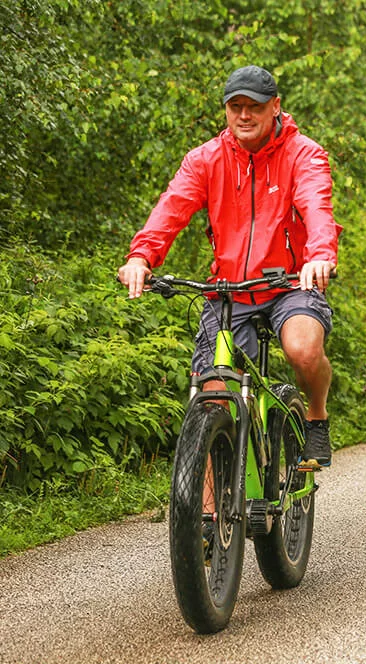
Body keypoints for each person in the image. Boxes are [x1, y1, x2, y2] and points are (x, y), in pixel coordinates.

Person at [117, 65, 342, 466]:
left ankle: (316, 416)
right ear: (225, 109)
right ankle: (205, 523)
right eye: (235, 106)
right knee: (211, 397)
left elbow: (316, 205)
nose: (244, 115)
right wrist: (141, 257)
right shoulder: (206, 159)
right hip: (229, 290)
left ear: (275, 106)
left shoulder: (303, 154)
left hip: (291, 284)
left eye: (253, 106)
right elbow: (171, 209)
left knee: (303, 349)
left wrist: (320, 255)